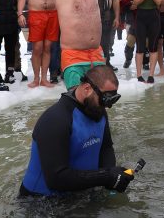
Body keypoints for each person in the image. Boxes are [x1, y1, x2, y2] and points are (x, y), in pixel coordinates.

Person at [19, 65, 133, 196]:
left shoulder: (98, 110)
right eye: (104, 99)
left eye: (113, 99)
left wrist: (113, 177)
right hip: (41, 202)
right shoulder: (56, 119)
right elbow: (56, 179)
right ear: (87, 88)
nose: (108, 106)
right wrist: (106, 176)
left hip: (80, 193)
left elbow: (105, 148)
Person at [18, 0, 59, 88]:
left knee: (48, 47)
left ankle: (44, 79)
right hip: (36, 14)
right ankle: (36, 78)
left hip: (53, 14)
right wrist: (20, 13)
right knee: (37, 47)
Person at [132, 0, 163, 83]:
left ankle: (151, 75)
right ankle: (139, 75)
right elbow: (136, 2)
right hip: (140, 17)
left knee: (153, 47)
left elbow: (159, 2)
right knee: (140, 47)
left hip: (154, 17)